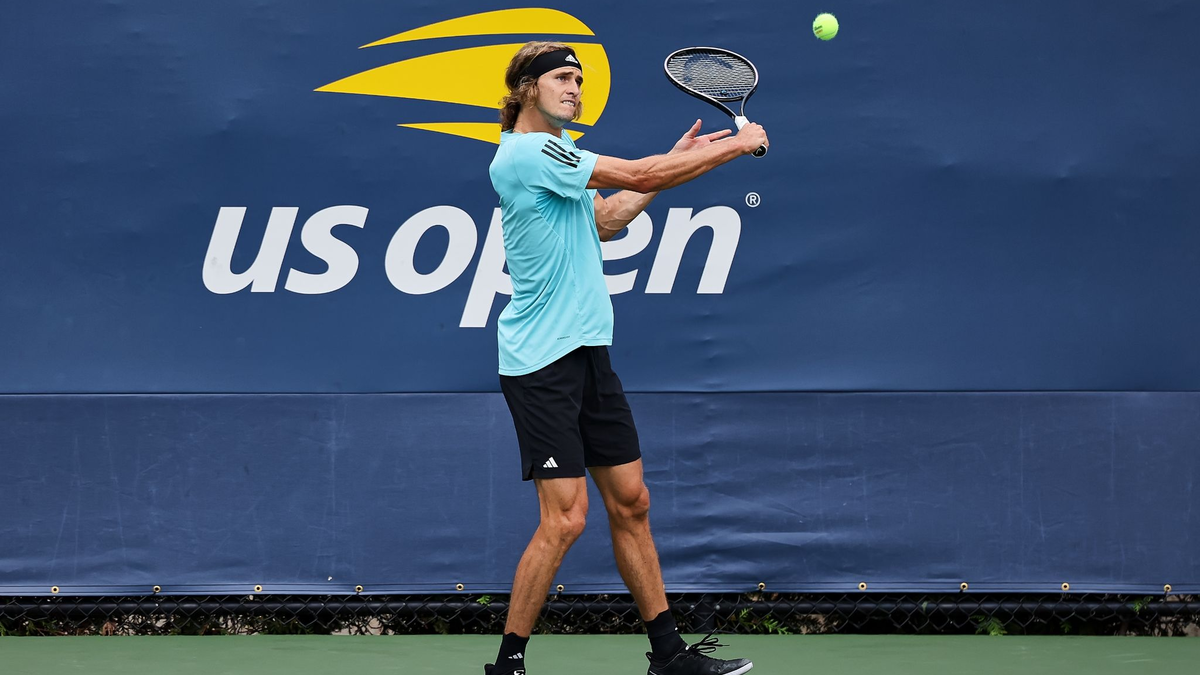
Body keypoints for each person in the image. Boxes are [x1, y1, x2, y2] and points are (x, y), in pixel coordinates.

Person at [485, 41, 767, 675]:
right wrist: (736, 144)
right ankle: (508, 664)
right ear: (527, 89)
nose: (575, 88)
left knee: (631, 502)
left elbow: (608, 218)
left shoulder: (557, 158)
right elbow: (637, 175)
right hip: (540, 365)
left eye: (579, 80)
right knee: (565, 520)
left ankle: (667, 655)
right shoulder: (529, 153)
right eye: (562, 78)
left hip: (588, 354)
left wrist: (684, 159)